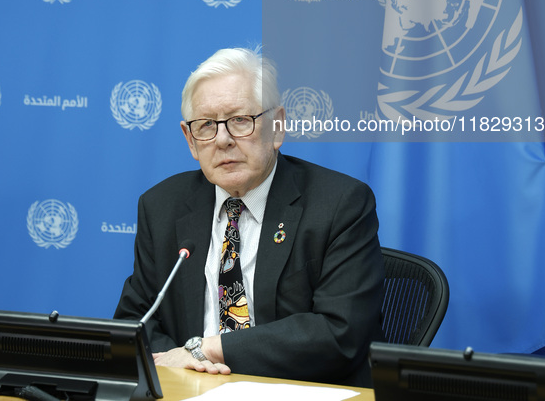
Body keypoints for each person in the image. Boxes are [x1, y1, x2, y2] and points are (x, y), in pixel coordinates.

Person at [114, 47, 385, 387]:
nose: (223, 139)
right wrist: (190, 367)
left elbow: (338, 332)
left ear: (277, 127)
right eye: (206, 126)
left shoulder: (339, 204)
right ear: (190, 140)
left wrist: (206, 350)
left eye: (240, 120)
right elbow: (136, 321)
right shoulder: (162, 206)